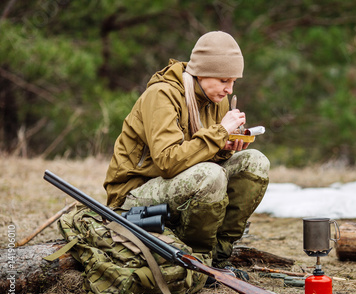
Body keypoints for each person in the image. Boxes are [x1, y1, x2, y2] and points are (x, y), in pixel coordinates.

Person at [103, 31, 270, 281]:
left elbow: (198, 156)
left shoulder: (216, 99)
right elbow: (168, 162)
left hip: (179, 185)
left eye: (234, 81)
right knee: (210, 175)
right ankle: (199, 262)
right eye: (224, 79)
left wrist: (225, 147)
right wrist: (220, 132)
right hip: (133, 194)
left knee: (255, 162)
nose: (229, 89)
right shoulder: (162, 95)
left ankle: (219, 255)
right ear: (201, 73)